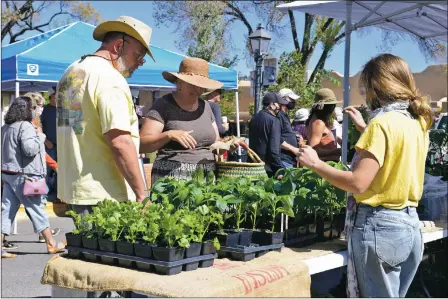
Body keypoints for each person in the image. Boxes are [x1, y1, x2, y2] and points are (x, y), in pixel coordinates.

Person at [297, 53, 432, 298]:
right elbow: (395, 155)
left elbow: (358, 183)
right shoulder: (417, 122)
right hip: (410, 226)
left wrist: (316, 164)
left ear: (376, 86)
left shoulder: (381, 124)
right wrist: (364, 128)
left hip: (381, 227)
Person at [56, 16, 153, 216]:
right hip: (106, 193)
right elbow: (119, 141)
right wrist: (142, 193)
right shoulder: (109, 78)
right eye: (138, 55)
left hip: (76, 187)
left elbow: (75, 129)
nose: (140, 63)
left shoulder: (71, 71)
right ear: (118, 46)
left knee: (85, 246)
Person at [140, 57, 222, 184]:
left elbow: (215, 142)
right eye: (193, 84)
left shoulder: (206, 107)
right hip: (171, 178)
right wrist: (169, 135)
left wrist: (227, 145)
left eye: (201, 85)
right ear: (179, 83)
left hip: (207, 176)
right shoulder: (163, 105)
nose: (198, 90)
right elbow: (142, 144)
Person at [1, 96, 65, 258]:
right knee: (37, 209)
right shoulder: (26, 127)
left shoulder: (6, 127)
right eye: (33, 108)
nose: (35, 110)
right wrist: (41, 137)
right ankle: (51, 243)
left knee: (6, 211)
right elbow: (30, 149)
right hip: (26, 176)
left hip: (9, 174)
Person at [248, 92, 283, 177]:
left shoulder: (254, 118)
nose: (280, 107)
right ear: (271, 105)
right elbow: (274, 149)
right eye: (279, 104)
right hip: (267, 167)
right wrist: (278, 168)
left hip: (253, 163)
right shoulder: (274, 120)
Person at [305, 88, 341, 162]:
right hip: (324, 164)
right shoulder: (318, 123)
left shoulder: (316, 120)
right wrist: (335, 151)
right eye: (333, 106)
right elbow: (313, 149)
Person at [277, 88, 301, 169]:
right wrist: (294, 149)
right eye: (292, 99)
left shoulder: (285, 115)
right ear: (284, 99)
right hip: (284, 159)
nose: (294, 102)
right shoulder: (279, 115)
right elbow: (277, 138)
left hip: (289, 160)